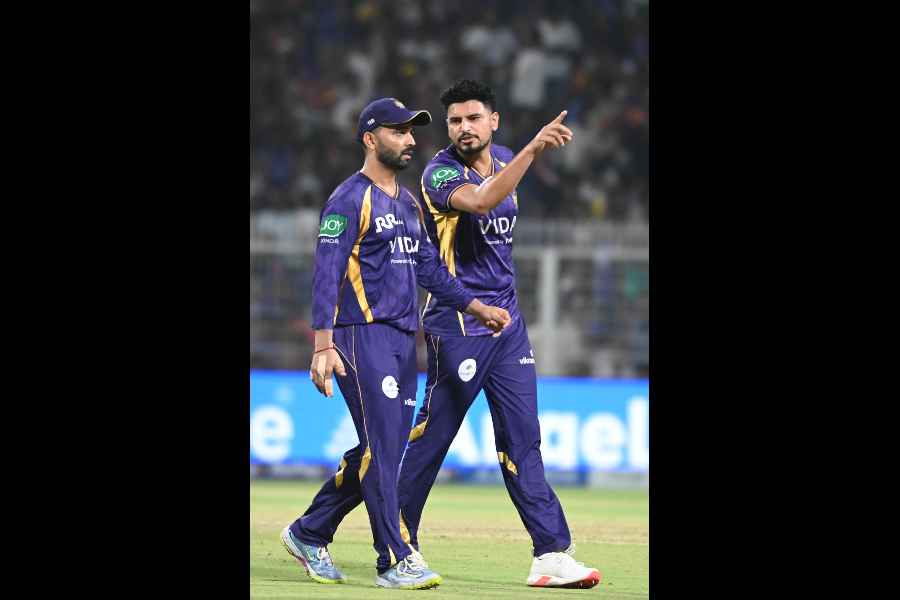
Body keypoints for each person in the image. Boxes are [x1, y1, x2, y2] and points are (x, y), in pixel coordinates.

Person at [279, 97, 511, 591]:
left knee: (378, 450)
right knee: (383, 453)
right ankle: (394, 558)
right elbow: (327, 272)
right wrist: (323, 345)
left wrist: (475, 307)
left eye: (411, 132)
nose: (409, 140)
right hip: (361, 337)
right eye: (398, 131)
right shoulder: (348, 198)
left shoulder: (407, 202)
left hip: (406, 342)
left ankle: (309, 531)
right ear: (370, 138)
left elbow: (429, 268)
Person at [396, 79, 602, 589]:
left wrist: (522, 153)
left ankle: (551, 553)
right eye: (454, 121)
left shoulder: (505, 157)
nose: (463, 128)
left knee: (523, 439)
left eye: (472, 118)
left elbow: (498, 211)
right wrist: (534, 148)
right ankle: (395, 542)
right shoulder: (440, 172)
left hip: (508, 325)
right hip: (460, 323)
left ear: (493, 122)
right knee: (433, 440)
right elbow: (484, 202)